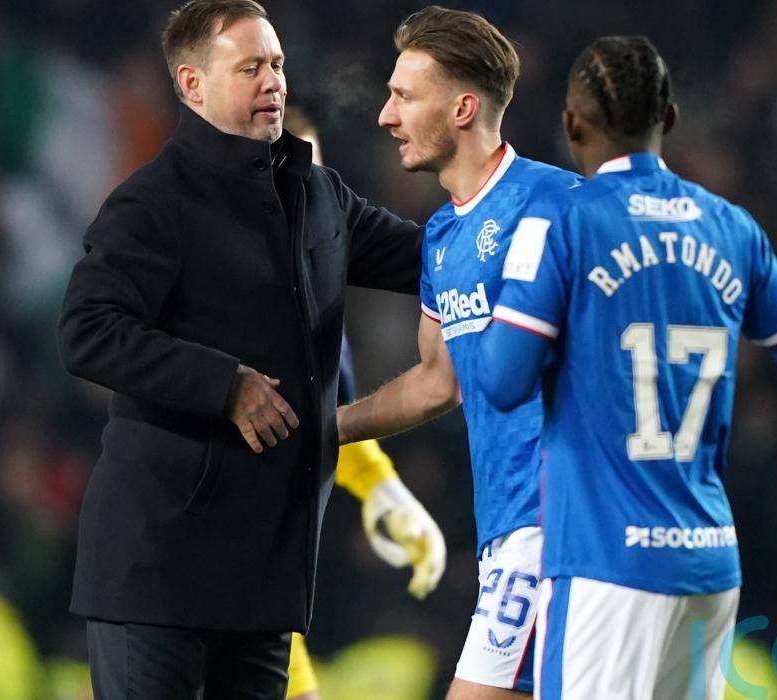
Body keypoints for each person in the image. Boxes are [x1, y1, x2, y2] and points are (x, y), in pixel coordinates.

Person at [476, 36, 777, 699]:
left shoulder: (562, 223)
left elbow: (501, 380)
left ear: (572, 124)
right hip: (707, 567)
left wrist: (504, 291)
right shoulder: (732, 229)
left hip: (606, 563)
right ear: (669, 118)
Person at [56, 0, 422, 696]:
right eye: (250, 67)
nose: (273, 81)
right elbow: (87, 330)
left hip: (263, 585)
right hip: (159, 577)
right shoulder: (152, 203)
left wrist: (522, 220)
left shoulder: (316, 193)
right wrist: (225, 384)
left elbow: (430, 259)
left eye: (277, 64)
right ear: (191, 85)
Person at [336, 7, 579, 699]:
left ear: (463, 108)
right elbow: (436, 382)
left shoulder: (560, 205)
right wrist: (326, 430)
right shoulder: (443, 237)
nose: (386, 116)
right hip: (507, 528)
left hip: (560, 523)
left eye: (405, 97)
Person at [282, 105, 447, 700]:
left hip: (264, 577)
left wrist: (382, 487)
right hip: (189, 574)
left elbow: (325, 418)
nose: (306, 197)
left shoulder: (311, 291)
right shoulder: (207, 289)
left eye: (314, 177)